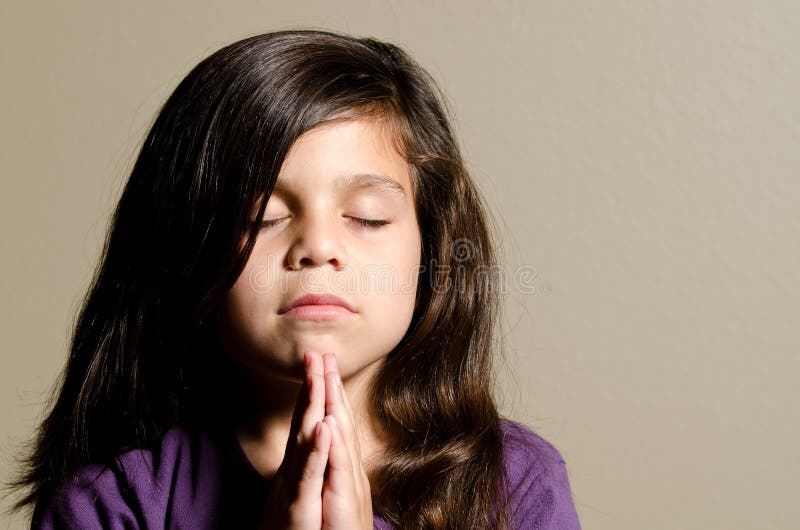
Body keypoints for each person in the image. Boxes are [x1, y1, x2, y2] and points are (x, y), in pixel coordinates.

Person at [6, 29, 581, 529]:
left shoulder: (514, 483)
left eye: (367, 218)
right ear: (183, 253)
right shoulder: (110, 503)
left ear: (430, 250)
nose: (319, 247)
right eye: (263, 219)